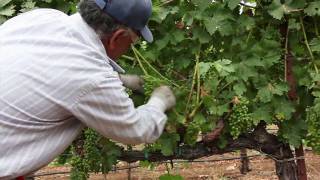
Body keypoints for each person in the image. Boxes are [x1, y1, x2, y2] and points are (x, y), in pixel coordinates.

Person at [0, 0, 176, 179]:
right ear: (117, 37)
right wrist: (159, 101)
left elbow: (48, 68)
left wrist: (120, 79)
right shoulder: (93, 78)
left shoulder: (41, 17)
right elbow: (137, 129)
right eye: (133, 41)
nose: (130, 48)